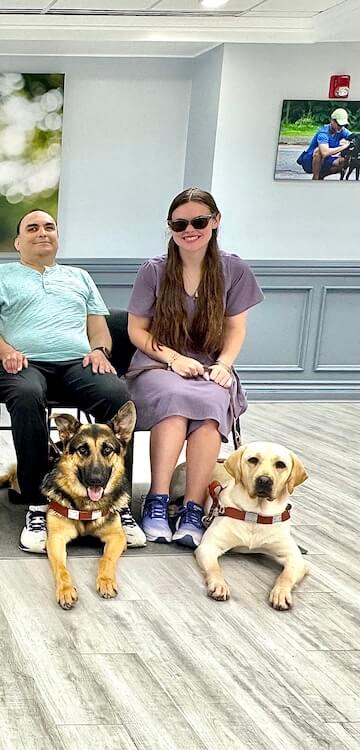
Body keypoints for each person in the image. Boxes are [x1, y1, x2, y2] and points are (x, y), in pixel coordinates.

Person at [0, 209, 146, 554]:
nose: (43, 232)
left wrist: (101, 350)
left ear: (57, 237)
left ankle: (117, 504)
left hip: (76, 364)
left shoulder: (79, 277)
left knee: (116, 393)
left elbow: (98, 325)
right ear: (17, 241)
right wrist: (6, 351)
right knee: (26, 394)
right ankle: (39, 506)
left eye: (49, 227)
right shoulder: (0, 275)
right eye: (33, 228)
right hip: (21, 364)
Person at [128, 187, 263, 548]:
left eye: (199, 221)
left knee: (210, 406)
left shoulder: (234, 270)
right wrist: (173, 358)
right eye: (179, 223)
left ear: (215, 222)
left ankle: (192, 508)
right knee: (173, 402)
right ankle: (156, 502)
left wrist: (224, 366)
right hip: (158, 364)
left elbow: (236, 329)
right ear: (170, 227)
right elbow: (136, 331)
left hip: (210, 365)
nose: (190, 229)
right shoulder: (153, 271)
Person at [296, 108, 352, 180]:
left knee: (343, 161)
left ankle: (321, 176)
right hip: (310, 161)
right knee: (319, 151)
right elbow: (325, 152)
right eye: (339, 124)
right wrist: (343, 147)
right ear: (332, 121)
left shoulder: (341, 130)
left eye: (343, 125)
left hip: (325, 160)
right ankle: (315, 178)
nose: (341, 127)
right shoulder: (323, 133)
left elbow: (353, 136)